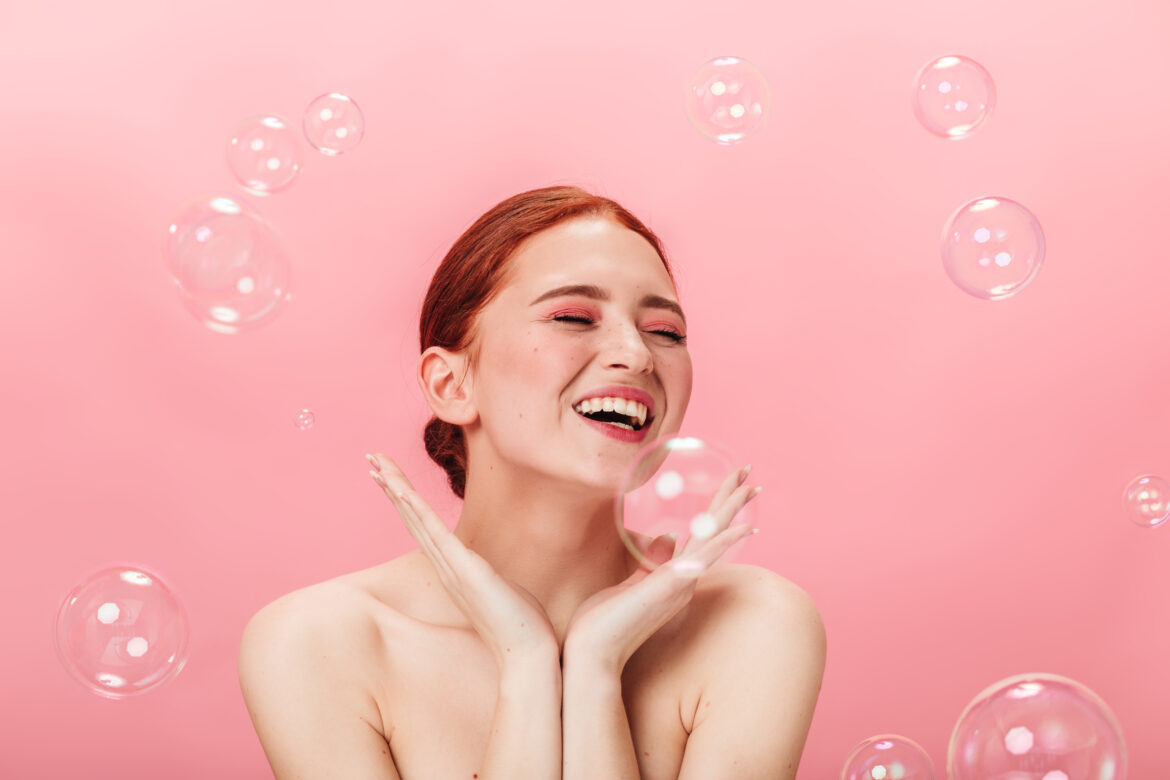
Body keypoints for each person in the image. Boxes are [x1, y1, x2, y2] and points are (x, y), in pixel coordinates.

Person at [237, 185, 827, 779]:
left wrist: (595, 665)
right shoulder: (316, 644)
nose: (636, 355)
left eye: (666, 332)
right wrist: (528, 661)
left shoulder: (756, 623)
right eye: (573, 317)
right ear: (450, 385)